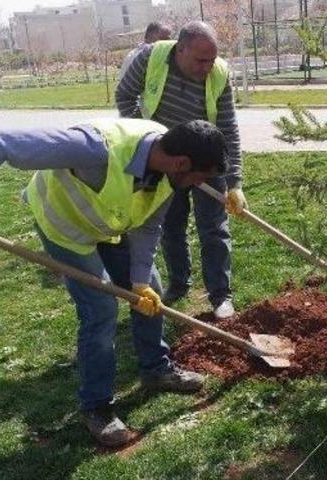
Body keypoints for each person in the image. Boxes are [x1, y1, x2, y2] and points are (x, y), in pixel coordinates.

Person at [0, 118, 228, 447]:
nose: (194, 185)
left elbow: (148, 227)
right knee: (101, 309)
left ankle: (156, 369)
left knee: (152, 289)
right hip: (66, 228)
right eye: (198, 178)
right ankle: (98, 408)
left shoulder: (169, 169)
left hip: (110, 224)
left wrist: (137, 283)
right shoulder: (93, 148)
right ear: (181, 163)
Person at [115, 21, 245, 320]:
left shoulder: (219, 73)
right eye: (201, 60)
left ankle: (220, 295)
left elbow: (228, 127)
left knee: (214, 227)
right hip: (166, 159)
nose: (207, 67)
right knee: (169, 225)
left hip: (206, 156)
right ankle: (179, 282)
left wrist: (234, 181)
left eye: (212, 60)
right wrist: (152, 141)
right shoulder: (150, 58)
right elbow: (124, 96)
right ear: (180, 48)